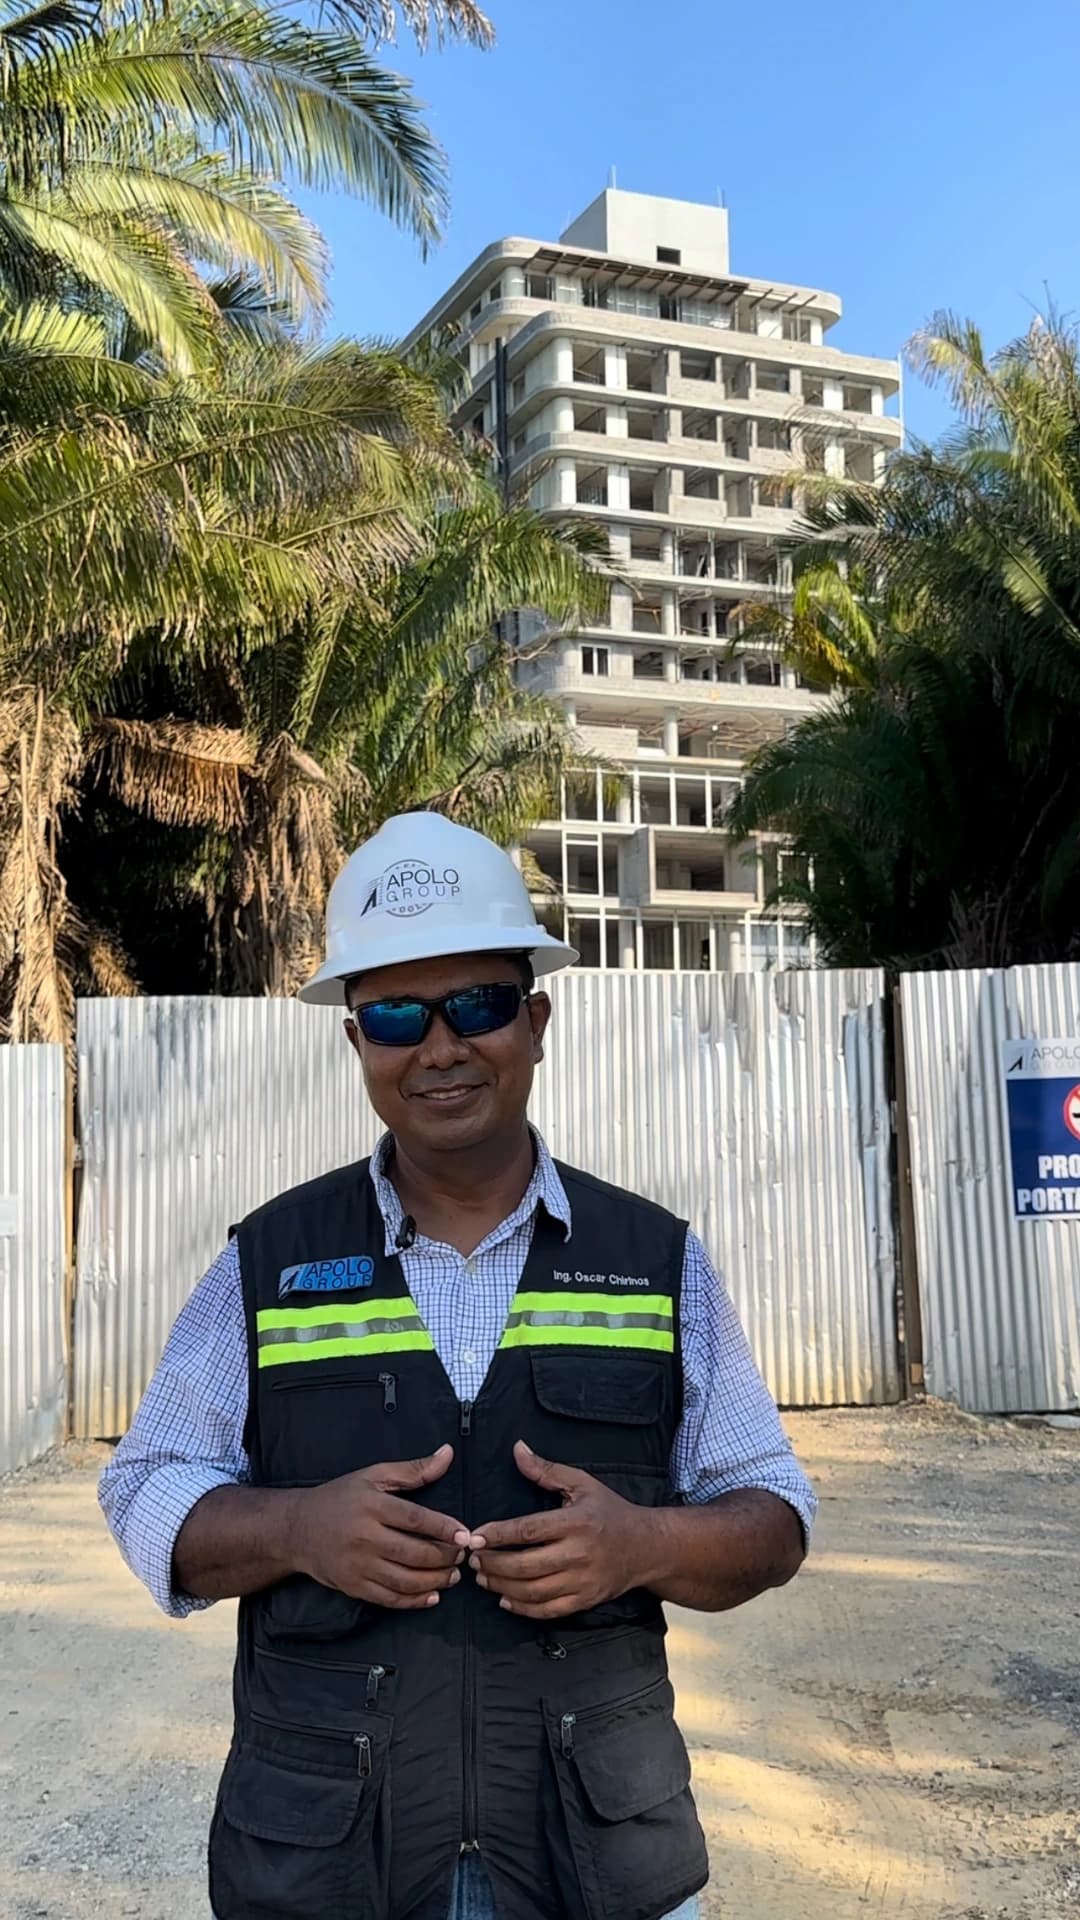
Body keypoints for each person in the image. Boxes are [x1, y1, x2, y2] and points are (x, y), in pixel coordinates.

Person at [100, 811, 816, 1920]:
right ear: (357, 1042)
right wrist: (298, 1529)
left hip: (597, 1864)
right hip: (331, 1870)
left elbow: (773, 1514)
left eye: (476, 1005)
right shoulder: (270, 1261)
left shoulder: (654, 1260)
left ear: (535, 1021)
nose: (438, 1048)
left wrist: (642, 1544)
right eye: (396, 1015)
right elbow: (146, 1488)